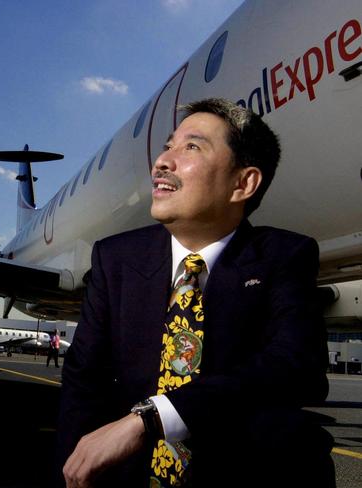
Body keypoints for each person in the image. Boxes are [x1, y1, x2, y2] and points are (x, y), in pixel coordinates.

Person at [57, 98, 333, 488]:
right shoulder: (114, 257)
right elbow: (83, 383)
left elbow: (294, 368)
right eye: (168, 145)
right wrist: (76, 472)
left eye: (191, 147)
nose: (162, 161)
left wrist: (154, 418)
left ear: (243, 183)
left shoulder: (285, 256)